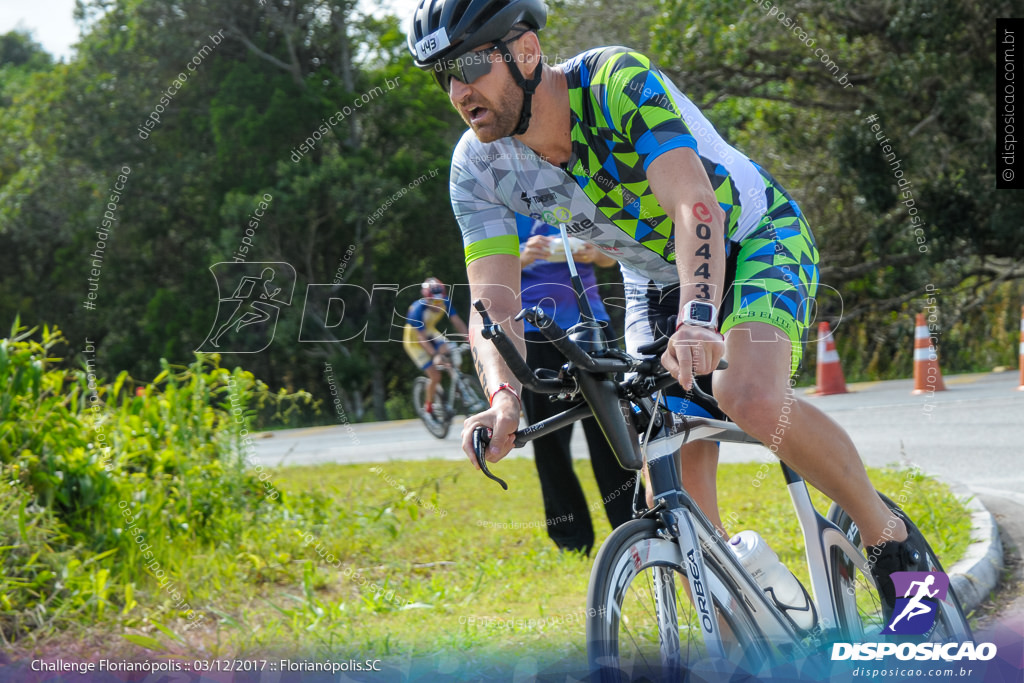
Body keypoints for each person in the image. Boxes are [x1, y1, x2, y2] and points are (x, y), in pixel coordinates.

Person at [407, 0, 929, 613]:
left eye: (470, 63)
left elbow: (694, 207)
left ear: (525, 51)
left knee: (748, 395)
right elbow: (494, 302)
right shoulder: (477, 166)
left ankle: (890, 543)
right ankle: (739, 633)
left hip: (753, 238)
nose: (459, 89)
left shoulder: (613, 83)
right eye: (445, 74)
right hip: (654, 276)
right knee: (667, 473)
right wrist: (503, 399)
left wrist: (699, 320)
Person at [517, 213, 635, 554]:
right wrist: (523, 255)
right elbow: (486, 270)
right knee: (548, 438)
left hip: (591, 325)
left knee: (614, 433)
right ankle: (572, 540)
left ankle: (629, 526)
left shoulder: (574, 198)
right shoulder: (502, 206)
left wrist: (594, 252)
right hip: (533, 333)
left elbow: (611, 256)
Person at [403, 277, 469, 419]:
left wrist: (469, 337)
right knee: (435, 375)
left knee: (452, 355)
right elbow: (421, 339)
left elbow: (457, 322)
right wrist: (435, 356)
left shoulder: (444, 301)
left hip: (430, 332)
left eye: (440, 301)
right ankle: (428, 407)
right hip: (414, 342)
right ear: (426, 298)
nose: (438, 304)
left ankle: (458, 387)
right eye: (434, 301)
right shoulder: (417, 310)